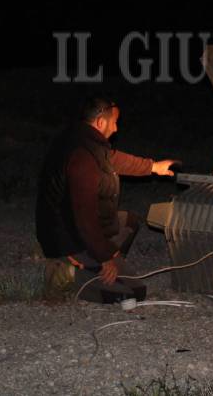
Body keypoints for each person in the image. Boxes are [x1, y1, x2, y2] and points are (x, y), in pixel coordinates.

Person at [36, 96, 179, 303]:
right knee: (128, 295)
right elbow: (85, 219)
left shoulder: (84, 141)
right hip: (68, 239)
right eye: (114, 122)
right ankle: (65, 273)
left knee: (129, 222)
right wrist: (105, 256)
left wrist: (153, 167)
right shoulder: (81, 157)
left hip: (78, 232)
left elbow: (114, 159)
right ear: (101, 123)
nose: (116, 129)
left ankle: (95, 265)